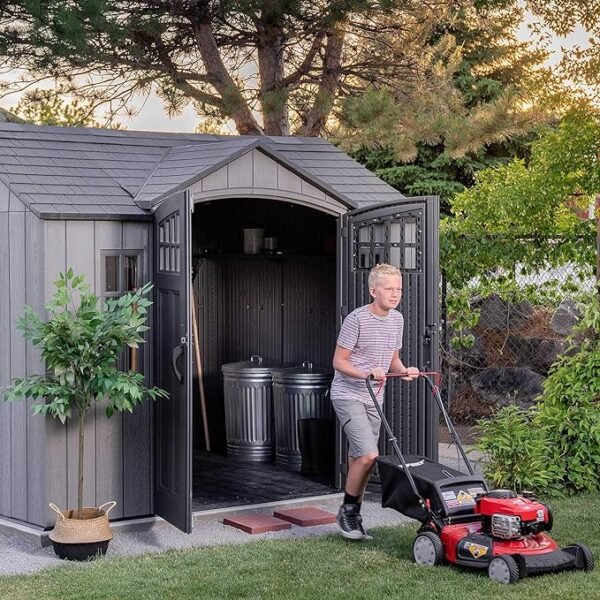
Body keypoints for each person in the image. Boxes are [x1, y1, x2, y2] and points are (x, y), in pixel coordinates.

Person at [330, 263, 419, 540]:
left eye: (399, 289)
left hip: (373, 397)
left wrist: (404, 371)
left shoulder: (397, 320)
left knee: (361, 457)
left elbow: (392, 361)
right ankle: (348, 512)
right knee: (369, 455)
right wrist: (366, 373)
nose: (395, 294)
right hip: (347, 394)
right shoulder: (356, 320)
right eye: (389, 289)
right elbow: (338, 361)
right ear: (373, 291)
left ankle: (352, 517)